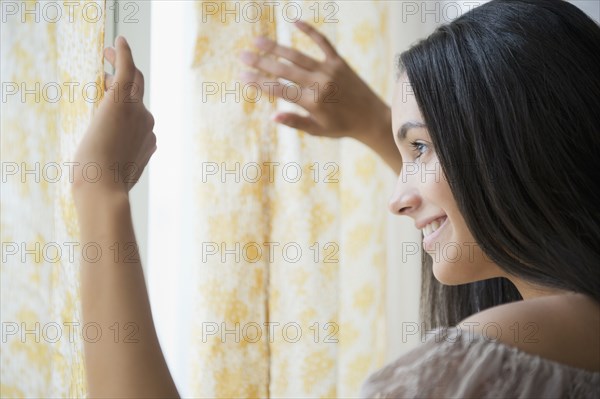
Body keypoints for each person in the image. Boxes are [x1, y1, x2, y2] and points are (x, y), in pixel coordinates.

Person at [72, 0, 599, 397]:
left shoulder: (492, 353)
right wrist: (377, 125)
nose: (397, 201)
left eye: (420, 146)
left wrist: (100, 193)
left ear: (518, 145)